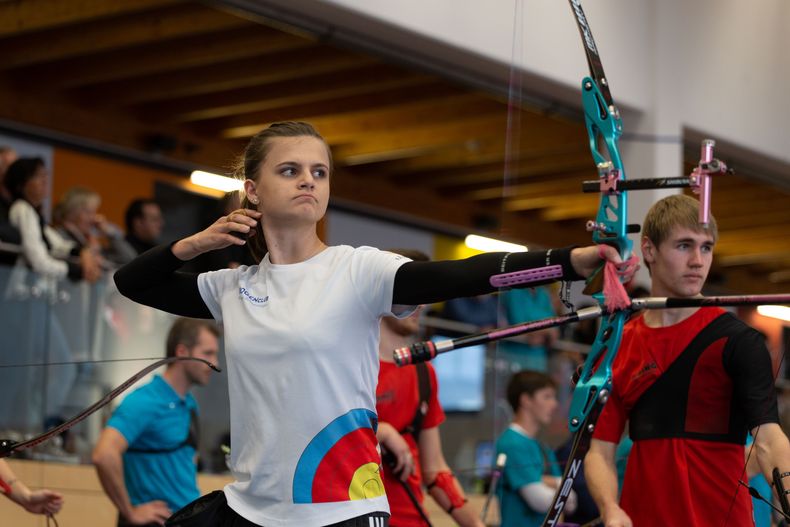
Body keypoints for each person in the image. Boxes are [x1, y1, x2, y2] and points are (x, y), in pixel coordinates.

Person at [113, 121, 624, 527]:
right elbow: (133, 282)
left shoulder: (357, 269)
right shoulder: (231, 287)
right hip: (251, 509)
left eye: (320, 171)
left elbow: (461, 275)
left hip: (341, 509)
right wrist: (195, 244)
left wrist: (568, 261)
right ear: (253, 190)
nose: (309, 180)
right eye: (289, 170)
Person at [584, 194, 790, 527]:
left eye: (706, 247)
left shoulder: (737, 340)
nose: (698, 260)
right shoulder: (617, 345)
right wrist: (610, 508)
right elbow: (600, 450)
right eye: (684, 246)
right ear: (649, 250)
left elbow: (768, 439)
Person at [376, 249, 484, 527]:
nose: (420, 303)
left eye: (422, 293)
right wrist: (381, 430)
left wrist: (476, 524)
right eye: (411, 291)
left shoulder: (424, 372)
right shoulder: (348, 366)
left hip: (413, 519)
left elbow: (435, 470)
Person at [92, 318, 220, 527]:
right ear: (181, 352)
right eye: (207, 354)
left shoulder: (189, 403)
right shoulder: (145, 401)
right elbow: (103, 454)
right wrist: (130, 512)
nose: (215, 364)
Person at [495, 370, 576, 527]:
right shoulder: (511, 443)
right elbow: (539, 500)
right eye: (547, 397)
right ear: (526, 400)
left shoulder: (542, 447)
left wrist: (543, 481)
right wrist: (552, 484)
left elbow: (571, 499)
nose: (554, 404)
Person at [4, 157, 102, 282]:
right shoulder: (22, 209)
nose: (45, 180)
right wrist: (75, 270)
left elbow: (58, 243)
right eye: (37, 176)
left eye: (45, 175)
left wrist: (81, 251)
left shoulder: (33, 213)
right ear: (20, 185)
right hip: (22, 293)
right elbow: (38, 260)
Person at [54, 186, 137, 266]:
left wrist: (109, 232)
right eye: (88, 212)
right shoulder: (58, 236)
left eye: (94, 212)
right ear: (71, 213)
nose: (93, 218)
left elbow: (129, 259)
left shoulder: (90, 240)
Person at [500, 286, 558, 372]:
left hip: (538, 357)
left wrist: (537, 332)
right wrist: (546, 332)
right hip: (514, 355)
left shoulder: (543, 293)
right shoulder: (514, 292)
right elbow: (519, 324)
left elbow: (554, 326)